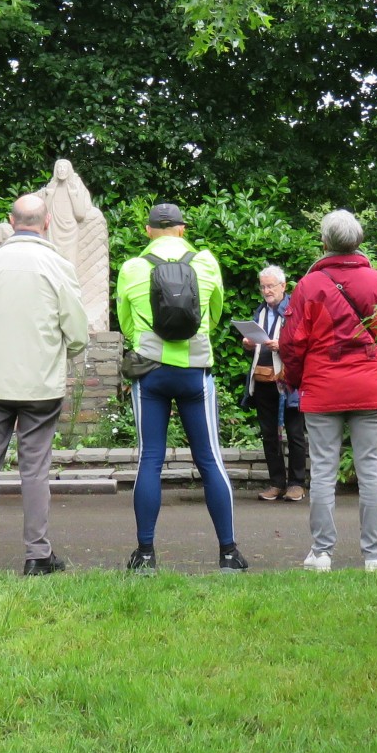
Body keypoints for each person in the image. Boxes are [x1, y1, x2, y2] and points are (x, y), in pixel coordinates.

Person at [115, 202, 246, 573]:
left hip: (151, 373)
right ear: (183, 229)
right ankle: (229, 553)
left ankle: (144, 556)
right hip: (195, 371)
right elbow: (214, 314)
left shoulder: (133, 267)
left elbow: (125, 321)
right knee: (210, 460)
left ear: (148, 231)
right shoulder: (205, 263)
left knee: (150, 459)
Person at [0, 192, 89, 574]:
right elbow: (78, 331)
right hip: (40, 383)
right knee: (34, 469)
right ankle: (37, 555)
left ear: (11, 219)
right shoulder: (56, 265)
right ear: (47, 221)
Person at [279, 209, 377, 572]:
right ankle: (376, 554)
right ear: (359, 241)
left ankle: (321, 554)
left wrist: (297, 379)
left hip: (322, 389)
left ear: (325, 242)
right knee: (371, 471)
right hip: (370, 387)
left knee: (321, 471)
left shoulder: (308, 286)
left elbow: (292, 344)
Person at [244, 265, 305, 502]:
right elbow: (254, 349)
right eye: (263, 286)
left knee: (295, 433)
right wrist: (248, 345)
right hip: (262, 379)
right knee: (269, 434)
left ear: (283, 286)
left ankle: (297, 483)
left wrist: (284, 346)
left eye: (271, 286)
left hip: (289, 380)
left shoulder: (294, 310)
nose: (266, 291)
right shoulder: (260, 312)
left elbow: (306, 343)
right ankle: (276, 483)